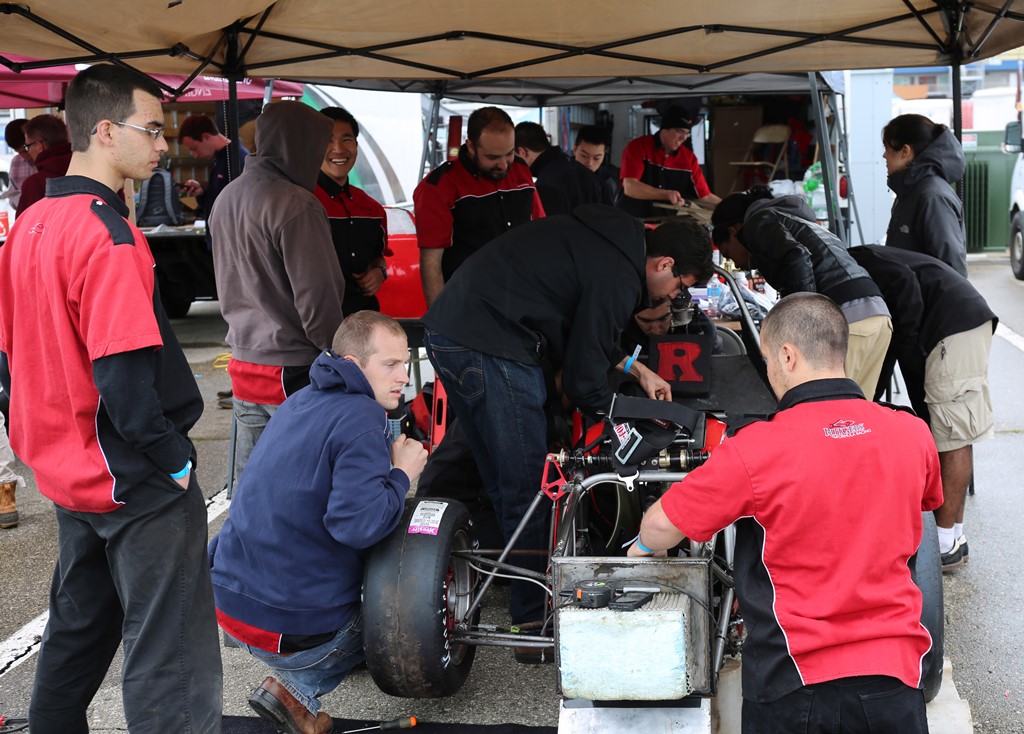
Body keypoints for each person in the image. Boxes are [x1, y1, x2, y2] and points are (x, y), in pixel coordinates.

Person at [0, 64, 221, 733]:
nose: (161, 146)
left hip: (69, 468)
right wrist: (174, 460)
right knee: (170, 658)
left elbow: (8, 357)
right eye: (151, 130)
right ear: (103, 130)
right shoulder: (108, 235)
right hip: (130, 473)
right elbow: (124, 380)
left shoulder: (31, 222)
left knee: (81, 625)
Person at [629, 292, 941, 734]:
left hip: (794, 682)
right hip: (894, 680)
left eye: (768, 360)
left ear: (788, 356)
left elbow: (661, 524)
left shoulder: (755, 449)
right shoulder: (912, 433)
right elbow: (923, 506)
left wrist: (642, 550)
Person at [423, 204, 696, 658]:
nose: (672, 297)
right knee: (534, 487)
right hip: (493, 343)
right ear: (664, 264)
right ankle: (531, 624)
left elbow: (587, 329)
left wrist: (636, 367)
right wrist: (629, 411)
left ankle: (502, 591)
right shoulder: (622, 273)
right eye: (679, 288)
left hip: (452, 330)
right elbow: (582, 383)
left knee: (500, 480)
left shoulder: (611, 239)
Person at [211, 311, 427, 734]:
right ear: (353, 362)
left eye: (406, 362)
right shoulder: (365, 418)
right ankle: (296, 688)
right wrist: (402, 473)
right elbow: (358, 526)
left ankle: (298, 679)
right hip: (286, 628)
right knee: (401, 609)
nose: (404, 376)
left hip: (230, 604)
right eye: (390, 364)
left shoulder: (301, 400)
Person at [210, 100, 345, 480]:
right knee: (300, 482)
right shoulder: (297, 204)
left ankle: (241, 542)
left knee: (250, 481)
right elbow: (317, 298)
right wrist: (340, 353)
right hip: (293, 366)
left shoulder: (227, 197)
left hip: (243, 359)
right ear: (301, 145)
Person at [850, 244, 996, 571]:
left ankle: (944, 543)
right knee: (952, 432)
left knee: (952, 435)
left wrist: (911, 355)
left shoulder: (855, 260)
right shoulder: (853, 259)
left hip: (952, 326)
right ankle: (953, 538)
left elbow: (903, 286)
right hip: (956, 322)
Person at [711, 186, 892, 399]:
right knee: (858, 415)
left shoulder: (758, 222)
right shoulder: (793, 219)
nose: (735, 263)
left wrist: (801, 322)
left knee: (830, 411)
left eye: (728, 253)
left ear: (734, 231)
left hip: (847, 318)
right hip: (877, 315)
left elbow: (797, 257)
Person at [414, 105, 544, 306]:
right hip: (470, 301)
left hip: (522, 294)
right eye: (492, 157)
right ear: (471, 146)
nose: (503, 164)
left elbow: (540, 230)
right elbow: (431, 262)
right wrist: (439, 321)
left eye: (509, 153)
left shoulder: (520, 169)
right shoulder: (440, 185)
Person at [313, 107, 390, 314]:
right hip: (311, 327)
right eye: (328, 140)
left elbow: (379, 257)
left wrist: (379, 271)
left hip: (362, 323)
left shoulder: (372, 209)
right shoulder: (301, 202)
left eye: (346, 139)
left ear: (356, 145)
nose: (338, 149)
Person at [882, 113, 968, 276]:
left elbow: (951, 270)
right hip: (911, 298)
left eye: (887, 148)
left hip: (927, 300)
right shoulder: (909, 191)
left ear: (905, 151)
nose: (884, 155)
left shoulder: (933, 196)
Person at [619, 106, 720, 219]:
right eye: (680, 131)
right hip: (632, 219)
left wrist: (732, 207)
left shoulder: (689, 158)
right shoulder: (638, 146)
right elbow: (630, 187)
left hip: (666, 224)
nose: (683, 137)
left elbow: (705, 197)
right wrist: (666, 194)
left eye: (687, 133)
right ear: (665, 128)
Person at [514, 121, 604, 215]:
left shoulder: (545, 183)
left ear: (522, 152)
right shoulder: (588, 174)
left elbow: (549, 227)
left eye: (512, 156)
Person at [178, 113, 249, 220]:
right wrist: (202, 193)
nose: (195, 156)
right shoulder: (220, 159)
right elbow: (217, 203)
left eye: (195, 148)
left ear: (206, 136)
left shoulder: (238, 159)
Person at [15, 114, 72, 216]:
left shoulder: (35, 184)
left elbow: (23, 228)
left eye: (27, 146)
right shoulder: (87, 170)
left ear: (38, 146)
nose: (28, 152)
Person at [573, 124, 619, 206]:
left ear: (604, 155)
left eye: (596, 158)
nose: (590, 163)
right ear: (575, 149)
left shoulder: (608, 180)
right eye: (584, 156)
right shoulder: (561, 175)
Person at [1, 119, 37, 212]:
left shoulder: (51, 162)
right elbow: (12, 198)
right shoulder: (16, 162)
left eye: (25, 149)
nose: (25, 156)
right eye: (19, 152)